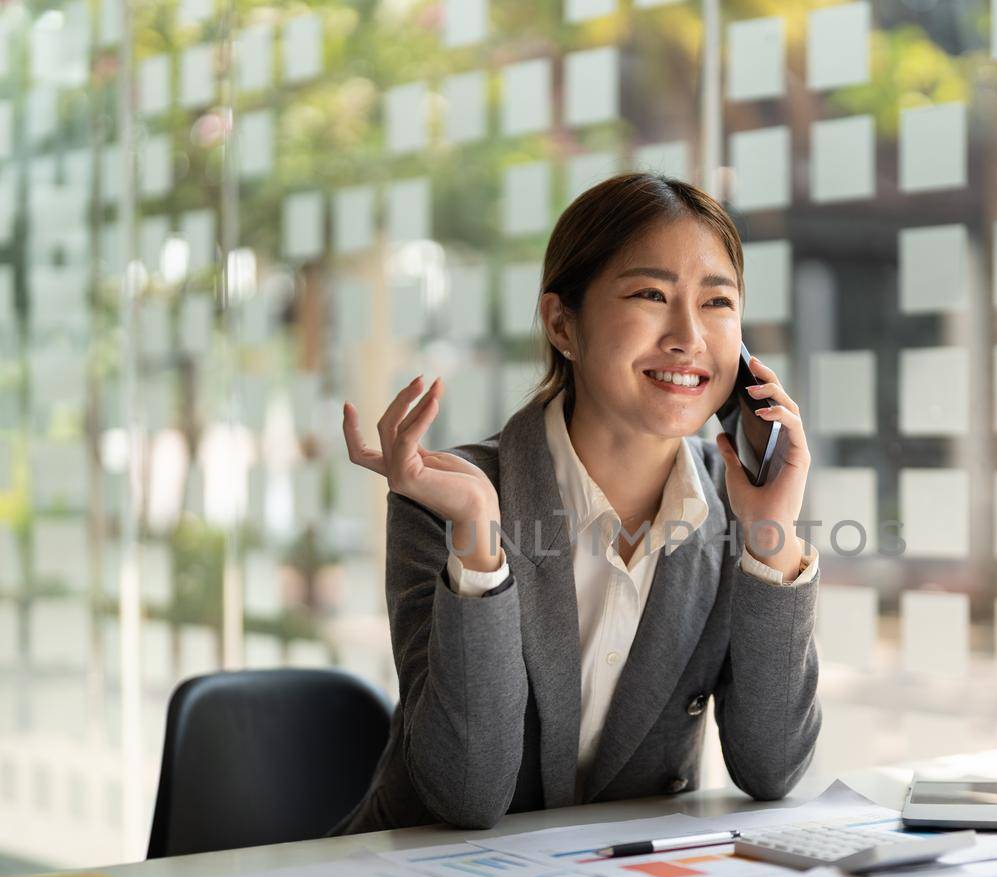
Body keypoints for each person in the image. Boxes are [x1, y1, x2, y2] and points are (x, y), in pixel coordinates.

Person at [330, 172, 821, 832]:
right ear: (563, 322)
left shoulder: (738, 505)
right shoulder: (450, 497)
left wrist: (773, 539)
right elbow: (466, 794)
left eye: (716, 303)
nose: (688, 336)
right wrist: (479, 542)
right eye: (651, 294)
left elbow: (774, 768)